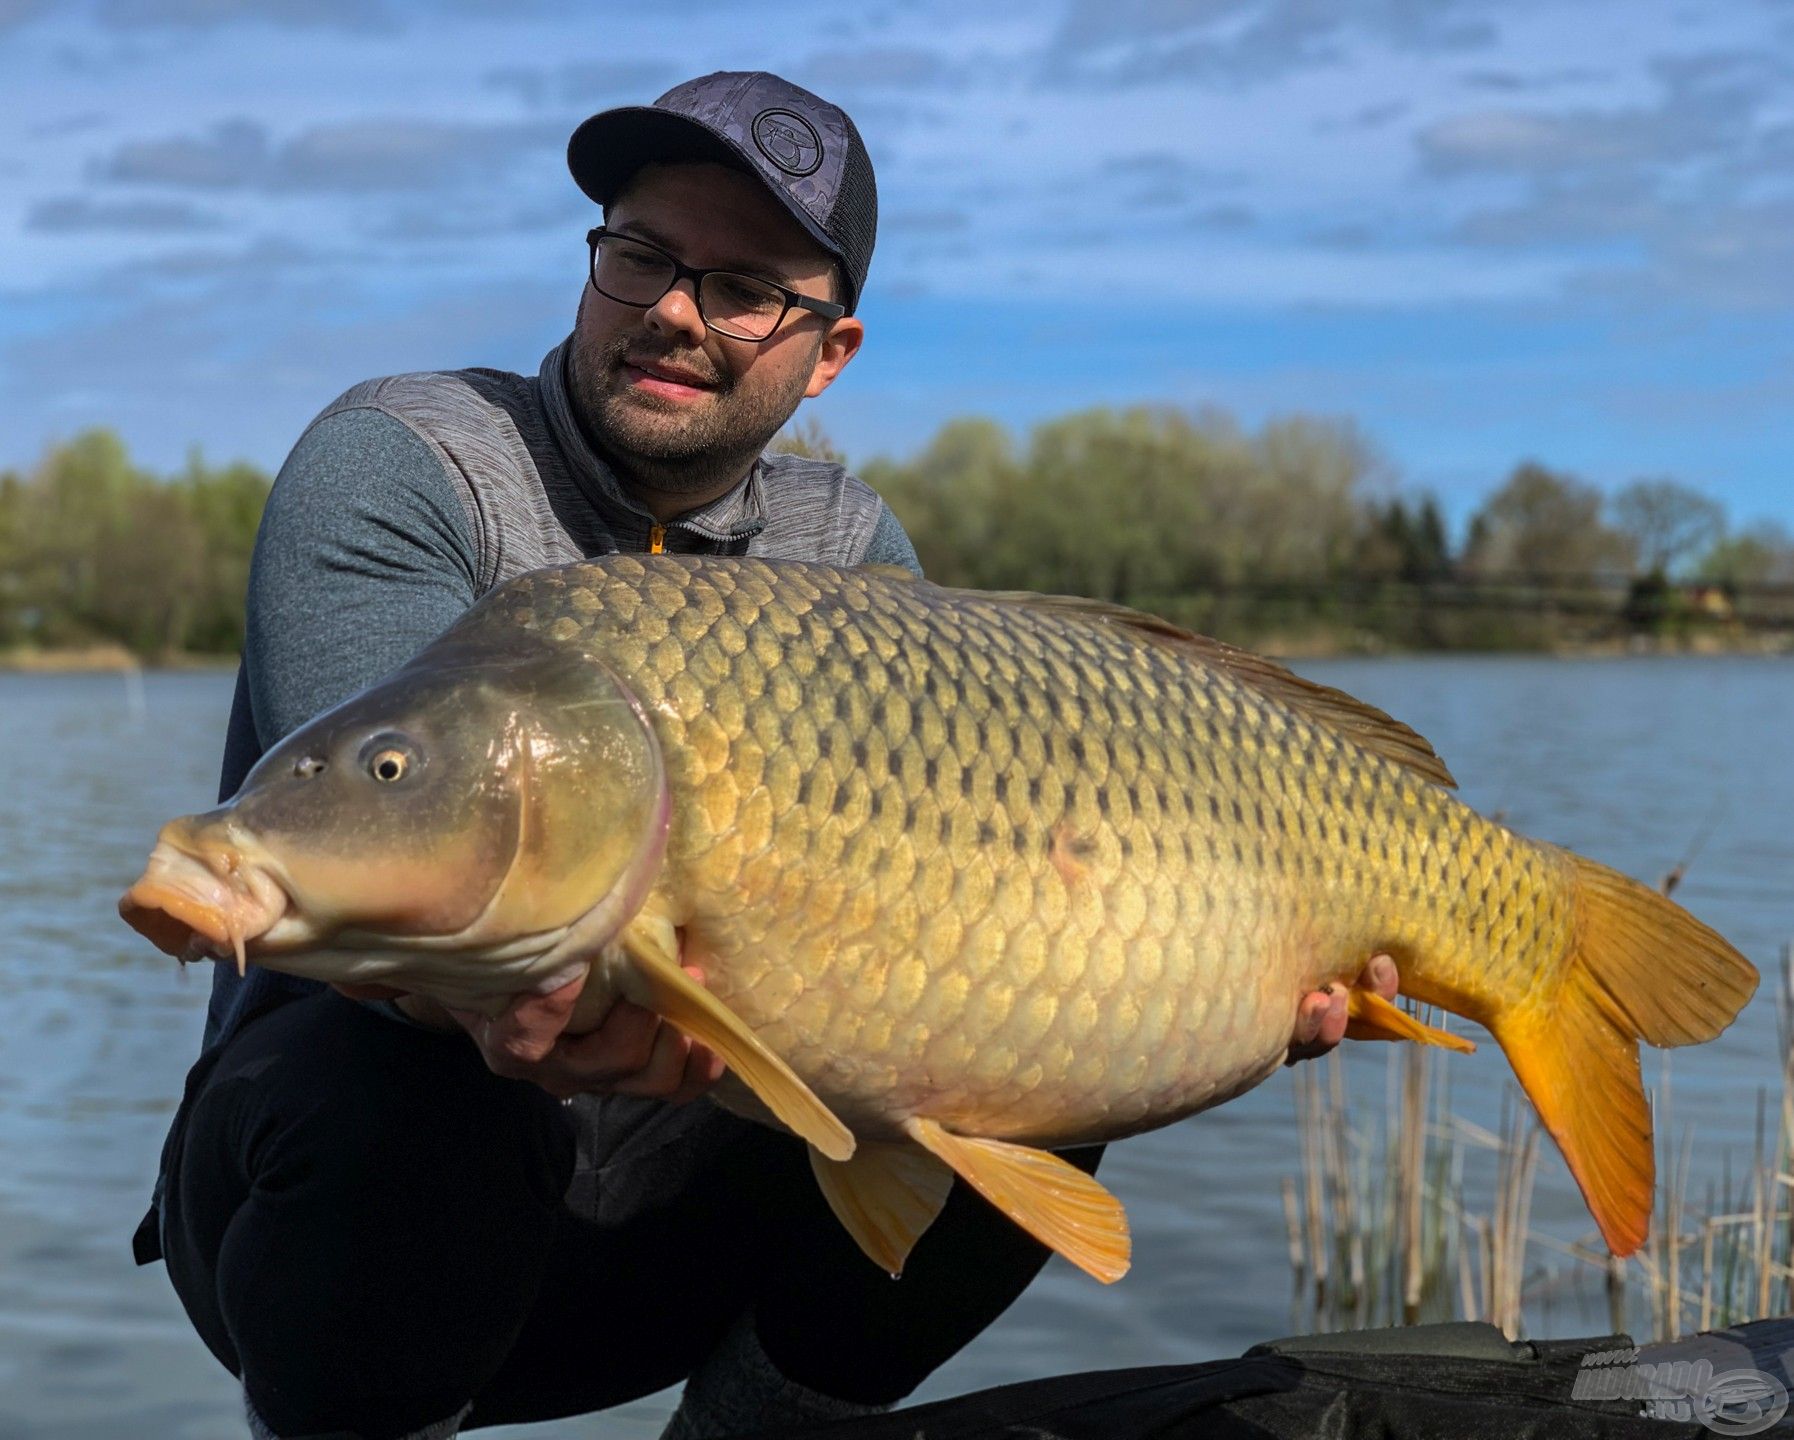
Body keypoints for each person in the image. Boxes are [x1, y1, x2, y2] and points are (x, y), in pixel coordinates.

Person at [134, 70, 1399, 1440]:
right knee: (402, 1073)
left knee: (1013, 1062)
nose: (675, 309)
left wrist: (1217, 980)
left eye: (745, 287)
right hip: (328, 1228)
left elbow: (974, 929)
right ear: (593, 267)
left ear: (830, 350)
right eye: (641, 256)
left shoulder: (855, 555)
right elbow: (380, 853)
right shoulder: (404, 461)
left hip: (680, 1223)